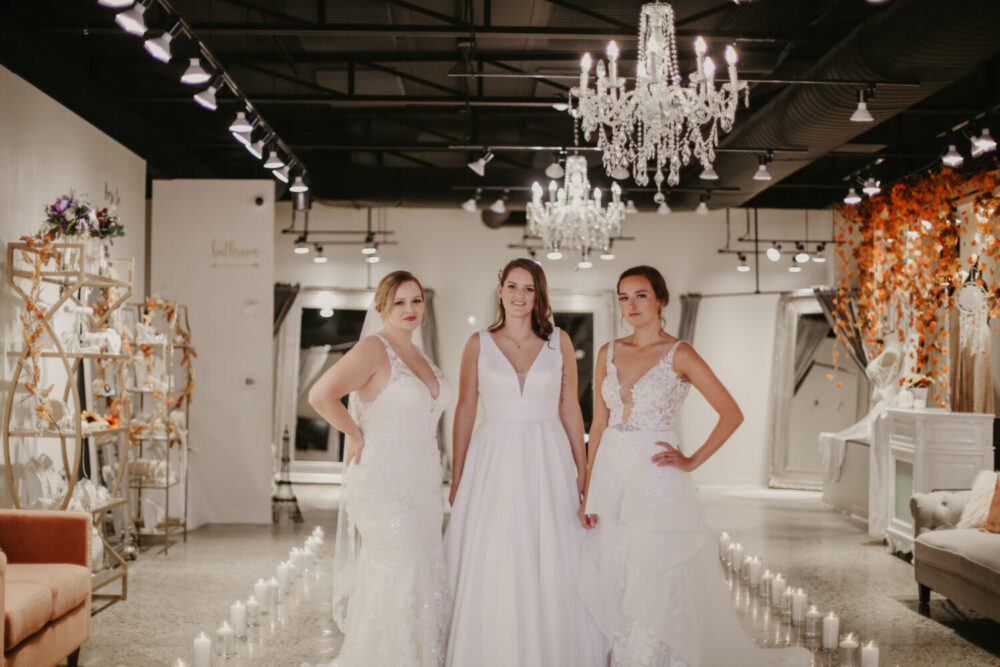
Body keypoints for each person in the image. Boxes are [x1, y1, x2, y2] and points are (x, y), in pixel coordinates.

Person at [579, 265, 810, 667]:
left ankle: (654, 656)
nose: (630, 305)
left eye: (640, 296)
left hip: (655, 474)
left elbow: (731, 413)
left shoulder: (679, 353)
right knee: (615, 565)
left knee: (654, 566)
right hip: (612, 470)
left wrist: (690, 461)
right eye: (623, 297)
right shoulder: (608, 352)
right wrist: (587, 484)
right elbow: (598, 422)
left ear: (660, 300)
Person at [445, 258, 601, 667]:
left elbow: (570, 407)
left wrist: (584, 472)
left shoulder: (559, 341)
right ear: (500, 291)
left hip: (547, 456)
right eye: (513, 287)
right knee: (498, 547)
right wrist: (457, 476)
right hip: (492, 458)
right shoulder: (477, 343)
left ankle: (552, 645)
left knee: (550, 545)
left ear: (539, 295)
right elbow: (465, 409)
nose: (520, 296)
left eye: (529, 289)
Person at [308, 271, 452, 667]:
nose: (409, 309)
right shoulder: (374, 349)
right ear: (382, 306)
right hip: (382, 483)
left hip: (423, 485)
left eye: (416, 301)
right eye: (400, 301)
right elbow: (321, 395)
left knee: (419, 574)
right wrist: (353, 433)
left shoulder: (420, 354)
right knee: (401, 571)